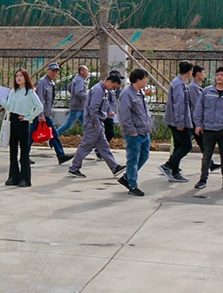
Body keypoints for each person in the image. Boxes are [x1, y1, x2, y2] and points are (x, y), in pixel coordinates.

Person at [67, 73, 126, 179]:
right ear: (109, 81)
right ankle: (74, 168)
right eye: (113, 86)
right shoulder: (98, 90)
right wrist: (95, 123)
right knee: (86, 145)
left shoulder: (103, 90)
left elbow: (105, 103)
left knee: (104, 147)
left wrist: (109, 111)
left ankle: (115, 167)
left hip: (97, 121)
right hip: (93, 122)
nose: (112, 89)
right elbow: (93, 108)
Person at [194, 67, 223, 191]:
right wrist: (198, 124)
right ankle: (203, 179)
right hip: (208, 129)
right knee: (206, 156)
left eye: (222, 75)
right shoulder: (207, 92)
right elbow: (199, 108)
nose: (219, 77)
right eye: (217, 75)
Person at [0, 68, 43, 187]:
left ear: (25, 77)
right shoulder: (13, 92)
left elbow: (39, 107)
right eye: (17, 76)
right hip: (13, 119)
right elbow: (9, 107)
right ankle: (13, 176)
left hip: (23, 121)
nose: (19, 78)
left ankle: (25, 178)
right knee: (13, 150)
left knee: (24, 150)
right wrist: (0, 101)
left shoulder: (30, 92)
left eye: (21, 76)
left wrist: (29, 117)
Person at [117, 69, 152, 197]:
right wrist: (132, 132)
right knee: (133, 159)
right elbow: (124, 115)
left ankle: (127, 177)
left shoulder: (140, 93)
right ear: (137, 80)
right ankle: (132, 185)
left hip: (144, 132)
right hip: (134, 134)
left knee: (144, 156)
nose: (146, 81)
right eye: (144, 78)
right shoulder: (127, 94)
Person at [159, 60, 195, 183]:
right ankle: (168, 166)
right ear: (189, 71)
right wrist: (180, 122)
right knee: (187, 146)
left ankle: (174, 172)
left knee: (179, 146)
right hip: (178, 122)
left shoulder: (179, 82)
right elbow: (179, 104)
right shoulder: (179, 84)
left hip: (176, 121)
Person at [32, 62, 73, 164]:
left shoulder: (51, 83)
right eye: (52, 71)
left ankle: (61, 155)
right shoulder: (42, 82)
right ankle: (23, 156)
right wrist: (40, 115)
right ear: (48, 71)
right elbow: (40, 99)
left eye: (56, 71)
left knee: (54, 134)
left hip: (46, 114)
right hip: (40, 114)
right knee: (31, 135)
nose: (54, 73)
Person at [188, 65, 221, 173]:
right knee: (190, 145)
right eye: (203, 73)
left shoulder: (197, 87)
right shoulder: (193, 87)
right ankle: (171, 164)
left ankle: (210, 164)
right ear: (198, 74)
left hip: (197, 120)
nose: (204, 75)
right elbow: (198, 104)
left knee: (203, 144)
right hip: (195, 120)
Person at [56, 64, 87, 135]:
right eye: (86, 70)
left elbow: (69, 88)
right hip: (77, 107)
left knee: (86, 125)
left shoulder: (76, 79)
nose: (87, 72)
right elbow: (78, 92)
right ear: (81, 71)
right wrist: (87, 97)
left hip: (80, 106)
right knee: (67, 125)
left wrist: (73, 96)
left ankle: (89, 139)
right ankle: (54, 135)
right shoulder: (80, 80)